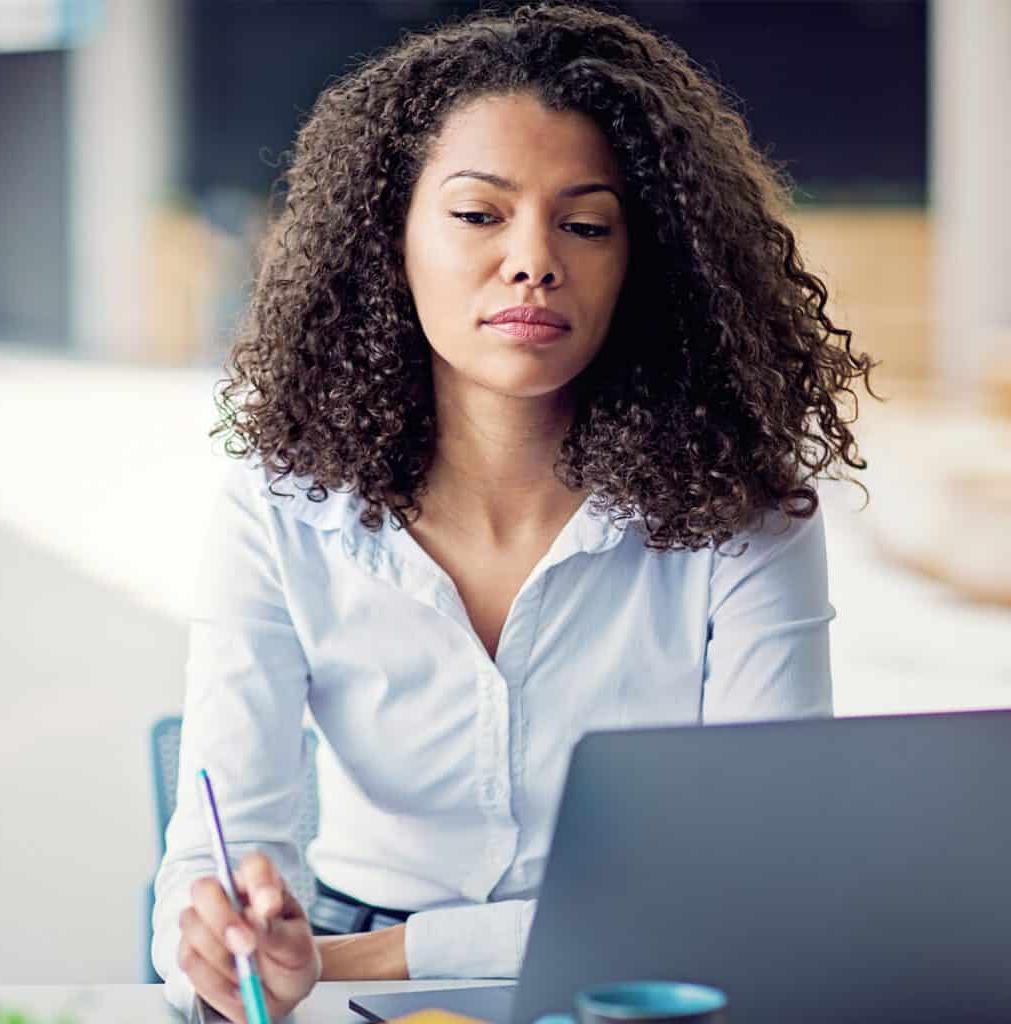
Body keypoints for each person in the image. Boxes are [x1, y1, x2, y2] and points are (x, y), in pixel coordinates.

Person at [152, 2, 877, 1021]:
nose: (534, 259)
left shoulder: (741, 511)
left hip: (644, 976)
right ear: (384, 237)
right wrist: (225, 934)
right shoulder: (281, 506)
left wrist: (364, 958)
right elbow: (211, 857)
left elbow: (763, 870)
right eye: (479, 213)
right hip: (340, 958)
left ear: (647, 262)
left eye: (586, 224)